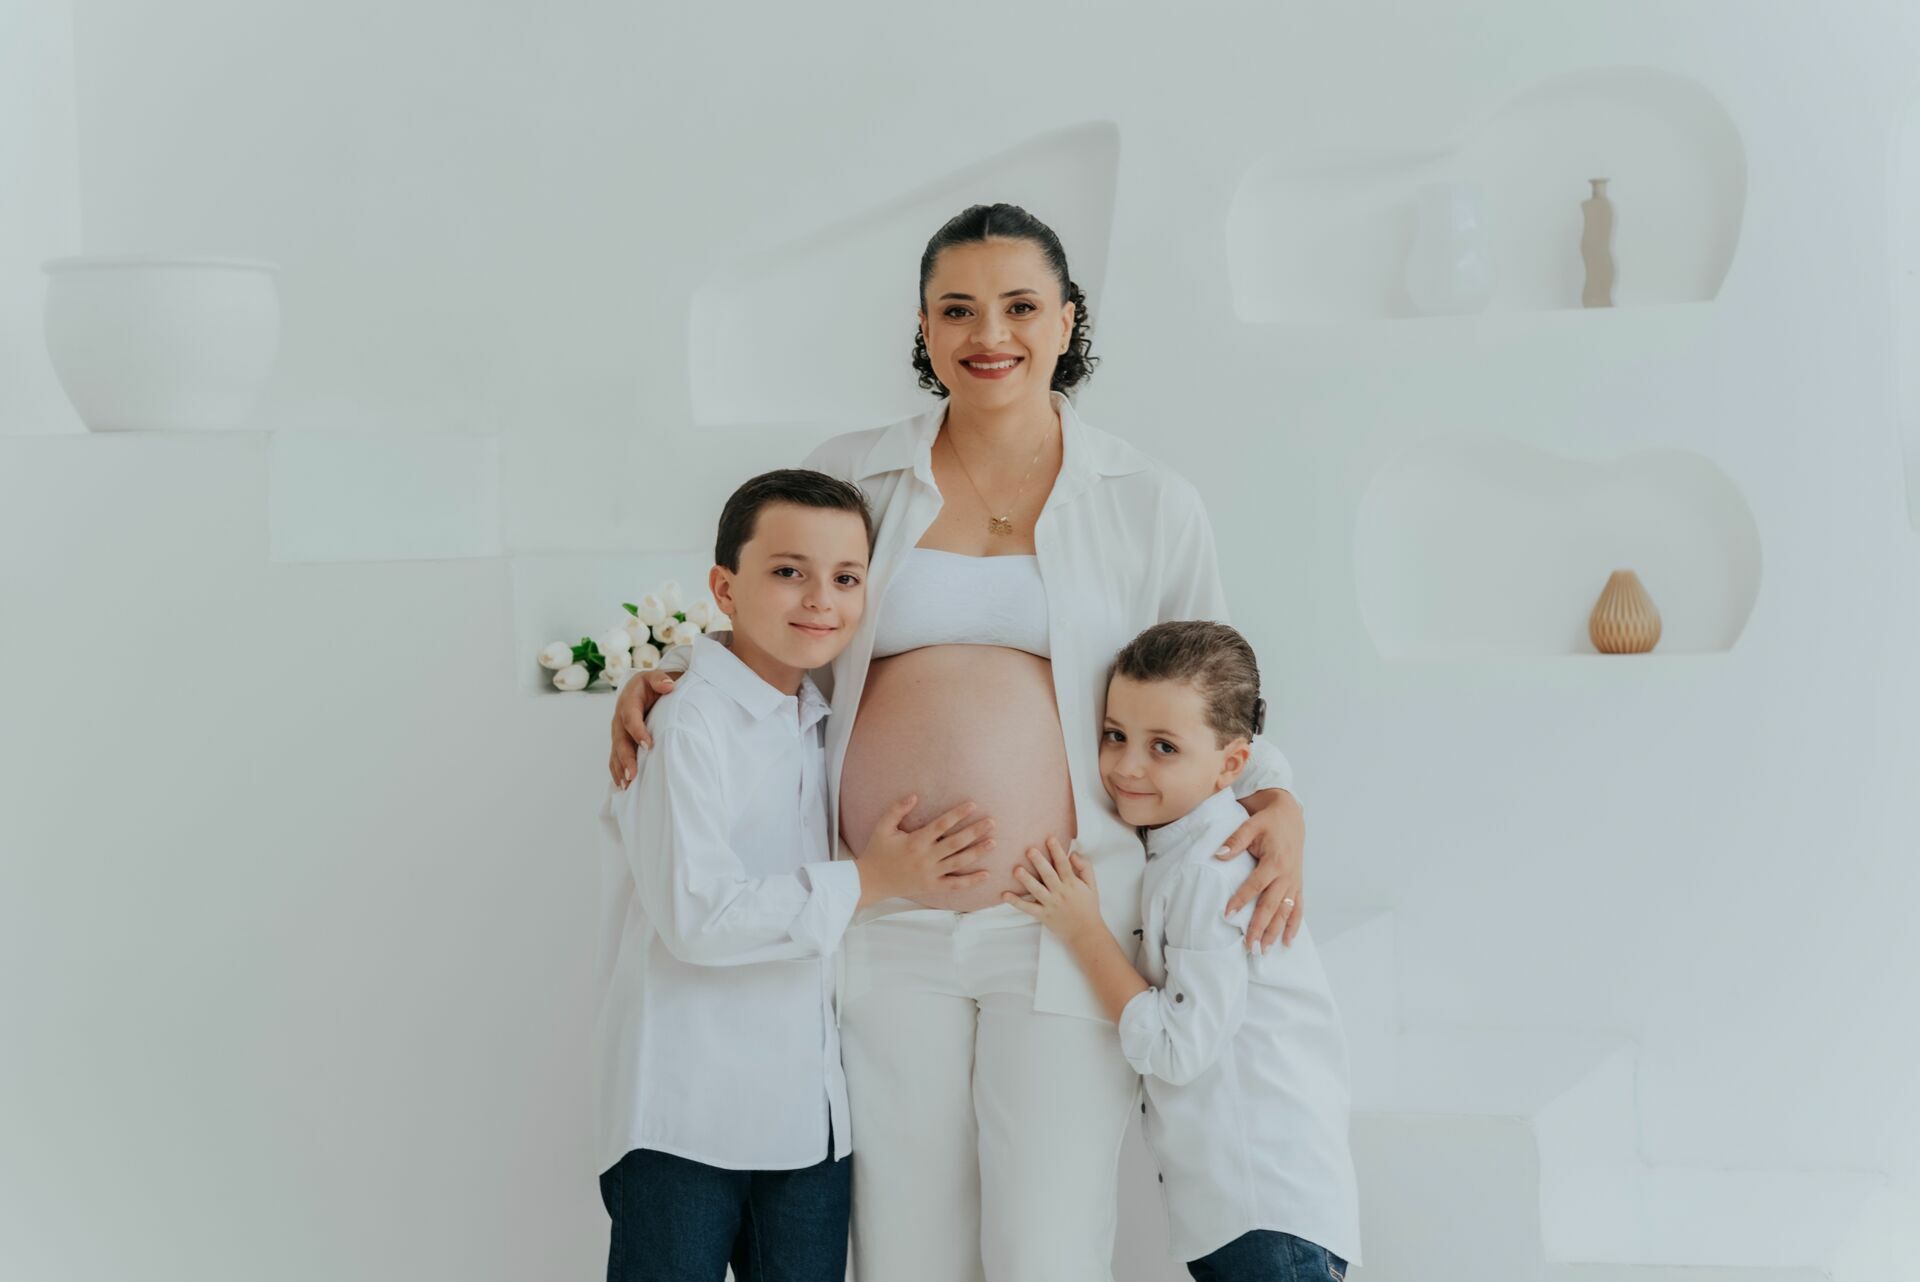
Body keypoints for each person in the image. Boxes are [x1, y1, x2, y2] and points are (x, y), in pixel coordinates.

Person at [608, 203, 1311, 1282]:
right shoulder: (860, 471)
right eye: (959, 309)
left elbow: (1217, 694)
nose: (992, 333)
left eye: (1022, 306)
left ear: (1068, 320)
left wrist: (1279, 802)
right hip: (885, 918)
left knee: (1048, 1246)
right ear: (925, 328)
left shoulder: (1148, 499)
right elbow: (783, 606)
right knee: (905, 1250)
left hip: (1067, 913)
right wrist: (669, 674)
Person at [593, 469, 995, 1281]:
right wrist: (871, 879)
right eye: (788, 572)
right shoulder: (686, 722)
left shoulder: (819, 714)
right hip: (686, 1115)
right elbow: (697, 918)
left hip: (809, 1122)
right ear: (725, 587)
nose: (821, 599)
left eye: (846, 578)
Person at [1005, 619, 1360, 1282]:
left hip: (1262, 1204)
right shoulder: (1182, 849)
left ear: (1232, 763)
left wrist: (1082, 930)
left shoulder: (1210, 867)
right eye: (1115, 736)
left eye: (1163, 747)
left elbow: (1177, 1048)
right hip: (1252, 1206)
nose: (1126, 766)